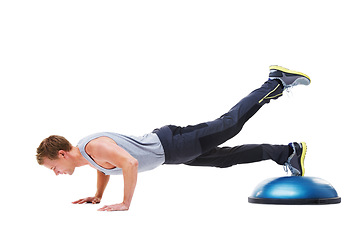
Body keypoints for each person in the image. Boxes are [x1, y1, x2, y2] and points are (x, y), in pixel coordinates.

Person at [36, 65, 310, 211]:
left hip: (173, 145)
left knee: (230, 123)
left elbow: (128, 163)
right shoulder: (88, 156)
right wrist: (97, 196)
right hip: (173, 155)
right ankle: (287, 153)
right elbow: (105, 167)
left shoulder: (93, 145)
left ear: (61, 154)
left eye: (53, 168)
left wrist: (125, 203)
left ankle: (275, 82)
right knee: (226, 159)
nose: (57, 173)